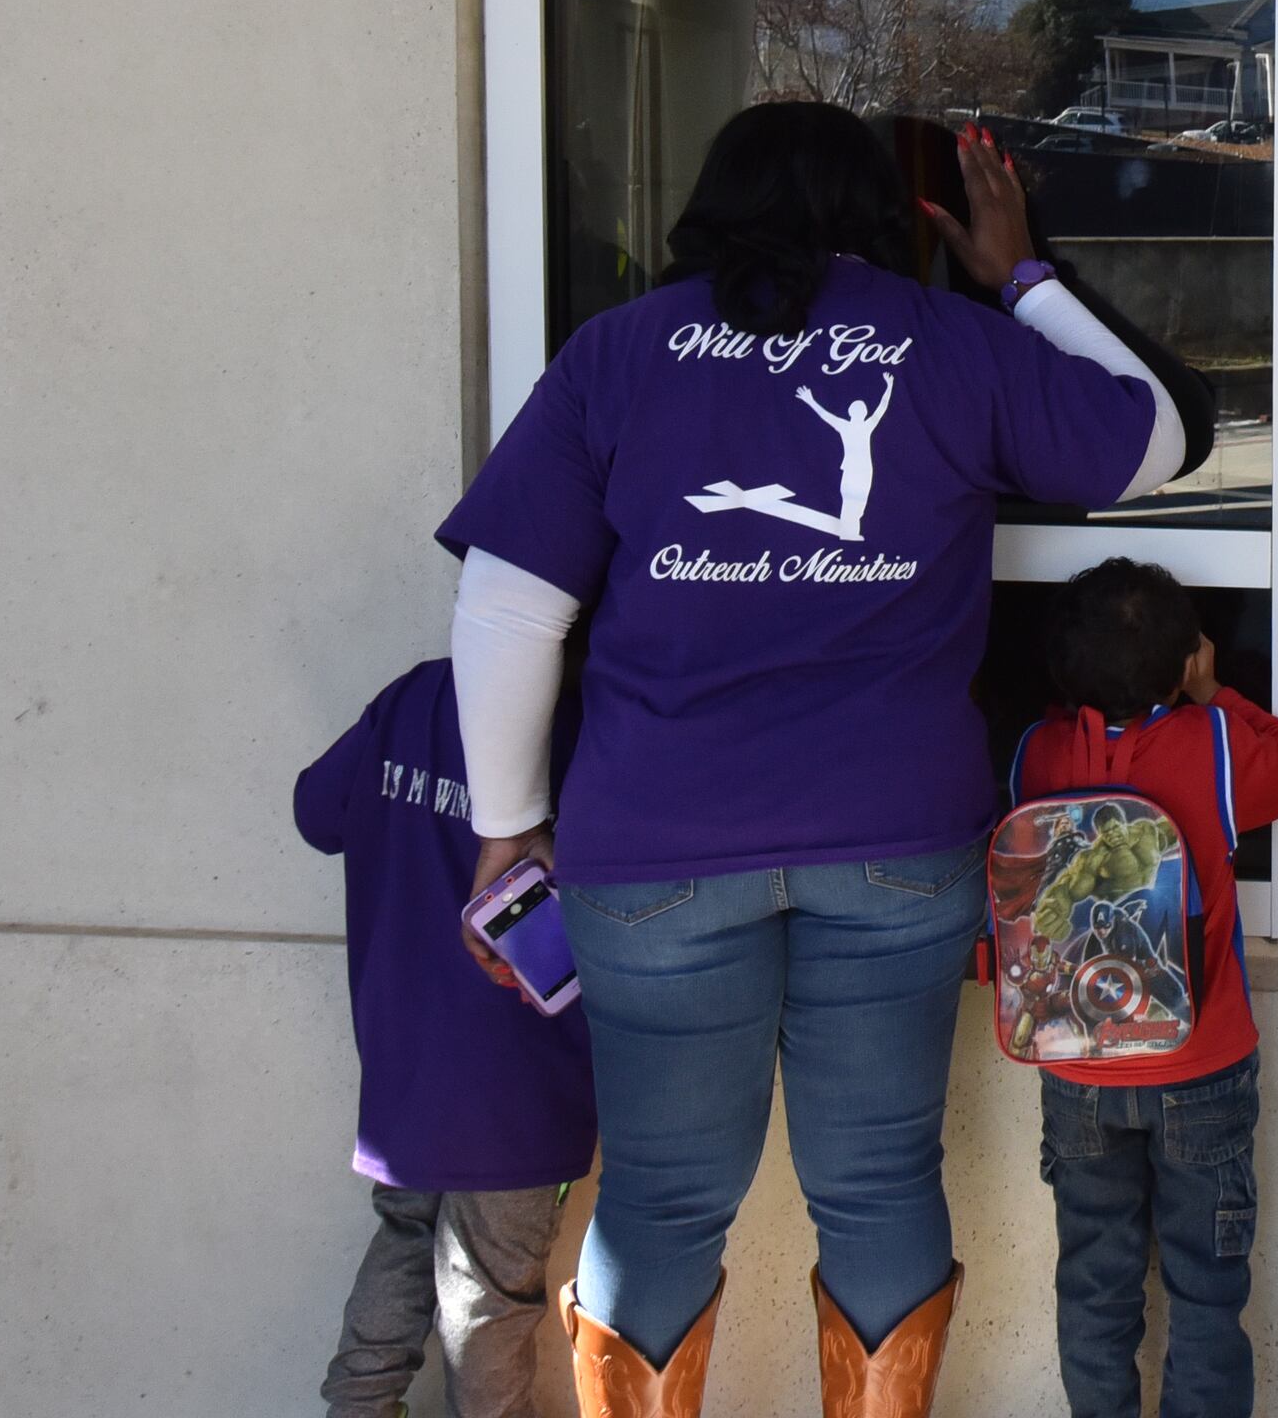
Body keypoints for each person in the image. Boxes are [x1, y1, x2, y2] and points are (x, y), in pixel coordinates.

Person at [441, 102, 1189, 1418]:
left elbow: (511, 608)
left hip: (655, 854)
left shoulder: (618, 356)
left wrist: (508, 827)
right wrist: (1017, 274)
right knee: (883, 1180)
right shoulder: (949, 345)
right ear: (884, 217)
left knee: (662, 1197)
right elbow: (1158, 437)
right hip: (897, 849)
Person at [1006, 560, 1278, 1418]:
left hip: (1076, 1063)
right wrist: (1216, 694)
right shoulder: (1209, 745)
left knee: (1094, 1287)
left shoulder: (1037, 752)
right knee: (1206, 1292)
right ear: (1186, 662)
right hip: (1201, 1066)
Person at [294, 658, 597, 1418]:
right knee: (489, 1295)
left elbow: (316, 812)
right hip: (521, 1072)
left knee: (405, 1232)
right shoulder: (592, 715)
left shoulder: (413, 696)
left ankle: (356, 1406)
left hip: (405, 1048)